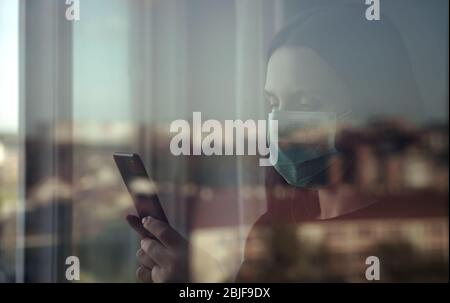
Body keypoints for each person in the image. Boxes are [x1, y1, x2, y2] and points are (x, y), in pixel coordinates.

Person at [127, 4, 447, 282]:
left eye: (307, 102)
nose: (280, 123)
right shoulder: (275, 224)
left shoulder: (420, 235)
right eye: (274, 103)